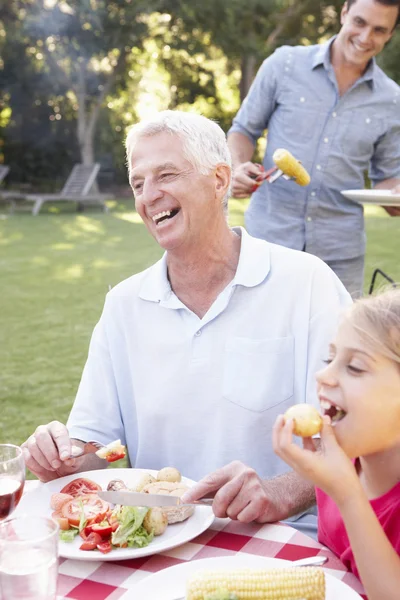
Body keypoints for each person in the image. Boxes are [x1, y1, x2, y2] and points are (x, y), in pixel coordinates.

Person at [22, 110, 351, 528]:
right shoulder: (124, 305)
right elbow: (94, 448)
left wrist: (279, 492)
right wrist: (60, 458)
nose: (148, 195)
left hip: (284, 537)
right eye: (138, 183)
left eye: (167, 175)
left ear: (219, 180)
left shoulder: (307, 283)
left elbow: (349, 433)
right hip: (158, 538)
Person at [227, 0, 400, 298]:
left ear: (390, 34)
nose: (365, 37)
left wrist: (395, 194)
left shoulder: (392, 100)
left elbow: (388, 178)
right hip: (268, 243)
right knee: (260, 342)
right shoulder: (284, 65)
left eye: (379, 30)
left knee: (336, 345)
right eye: (359, 22)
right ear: (344, 13)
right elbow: (243, 130)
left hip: (340, 256)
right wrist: (237, 166)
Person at [273, 288, 400, 599]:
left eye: (354, 367)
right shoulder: (342, 468)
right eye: (330, 359)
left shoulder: (342, 484)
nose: (323, 375)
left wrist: (346, 494)